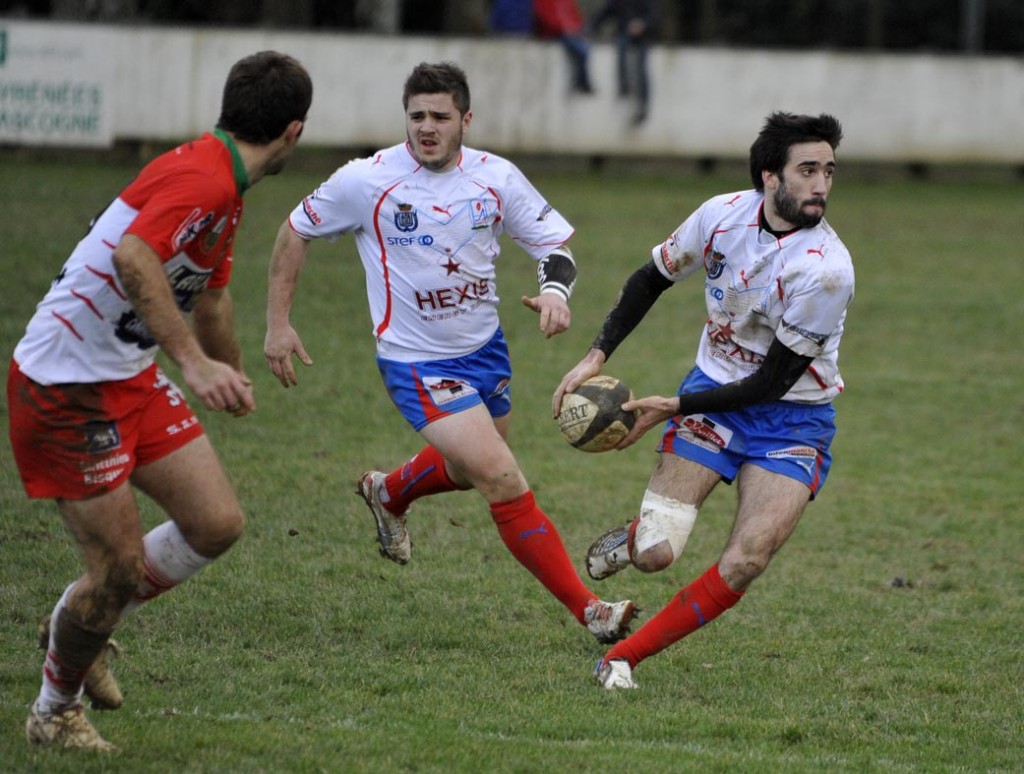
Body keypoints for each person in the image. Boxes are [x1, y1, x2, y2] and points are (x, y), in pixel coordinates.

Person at [264, 61, 635, 650]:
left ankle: (387, 492)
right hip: (414, 362)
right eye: (417, 116)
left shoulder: (496, 177)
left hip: (484, 351)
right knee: (502, 479)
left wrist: (555, 293)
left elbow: (555, 248)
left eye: (440, 116)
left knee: (468, 470)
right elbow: (294, 230)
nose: (427, 128)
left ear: (466, 119)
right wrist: (278, 324)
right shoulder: (367, 180)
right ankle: (591, 611)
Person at [8, 51, 313, 749]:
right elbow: (135, 257)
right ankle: (54, 710)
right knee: (115, 569)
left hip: (126, 373)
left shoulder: (224, 184)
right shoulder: (204, 179)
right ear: (293, 131)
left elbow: (210, 292)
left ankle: (74, 623)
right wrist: (194, 366)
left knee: (216, 523)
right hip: (66, 387)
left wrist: (229, 371)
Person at [553, 112, 853, 689]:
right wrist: (597, 354)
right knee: (654, 555)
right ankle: (637, 538)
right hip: (711, 402)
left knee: (746, 560)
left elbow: (770, 384)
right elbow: (651, 279)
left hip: (793, 420)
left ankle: (623, 657)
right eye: (807, 170)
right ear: (770, 176)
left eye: (829, 172)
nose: (821, 185)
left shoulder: (828, 272)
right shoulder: (720, 216)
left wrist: (675, 406)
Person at [589, 0, 658, 124]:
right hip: (624, 35)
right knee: (622, 46)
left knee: (642, 70)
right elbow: (604, 14)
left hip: (644, 38)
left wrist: (642, 25)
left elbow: (654, 17)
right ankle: (624, 86)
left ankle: (643, 107)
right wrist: (590, 28)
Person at [533, 0, 595, 94]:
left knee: (585, 48)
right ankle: (582, 84)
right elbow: (545, 17)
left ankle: (581, 83)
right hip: (555, 33)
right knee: (582, 50)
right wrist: (564, 28)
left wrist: (577, 29)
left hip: (567, 32)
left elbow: (573, 16)